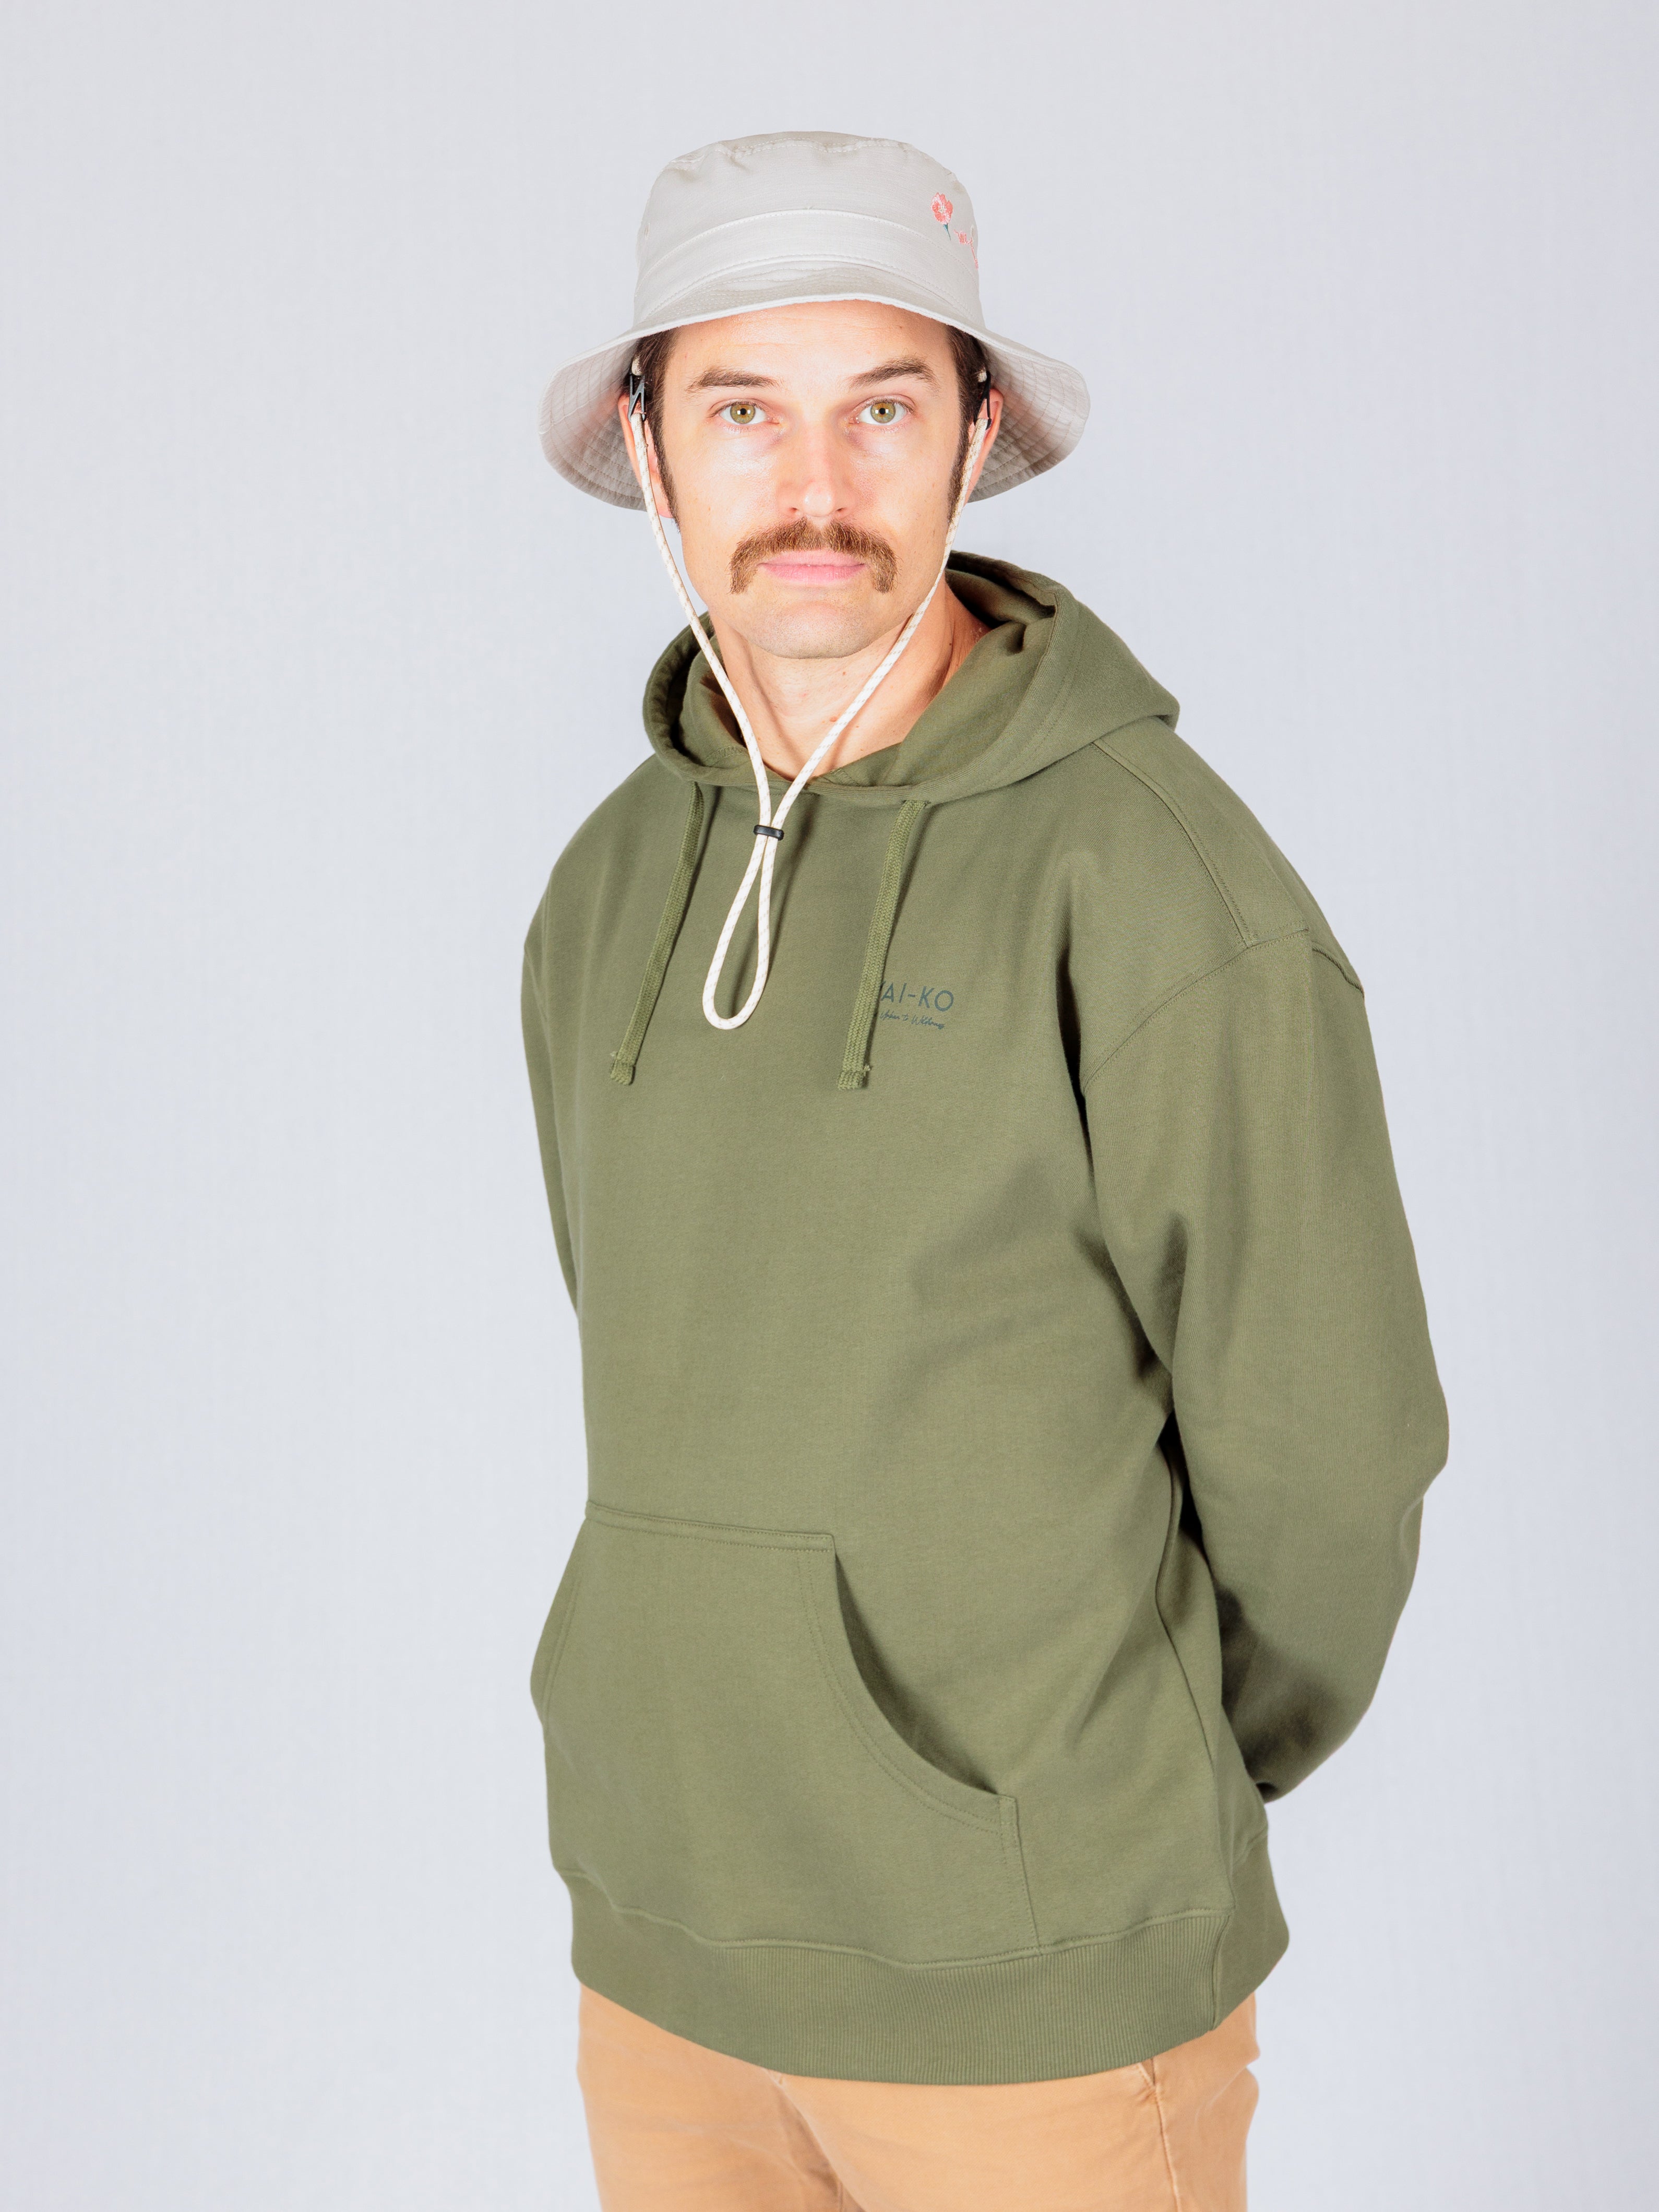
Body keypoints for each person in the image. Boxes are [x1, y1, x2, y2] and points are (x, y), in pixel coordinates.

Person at [520, 131, 1448, 2212]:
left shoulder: (1153, 882)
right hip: (666, 1950)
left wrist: (1084, 1795)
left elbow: (1334, 1453)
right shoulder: (603, 891)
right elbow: (651, 1338)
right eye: (745, 411)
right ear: (651, 453)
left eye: (884, 407)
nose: (815, 485)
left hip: (1038, 1995)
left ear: (978, 438)